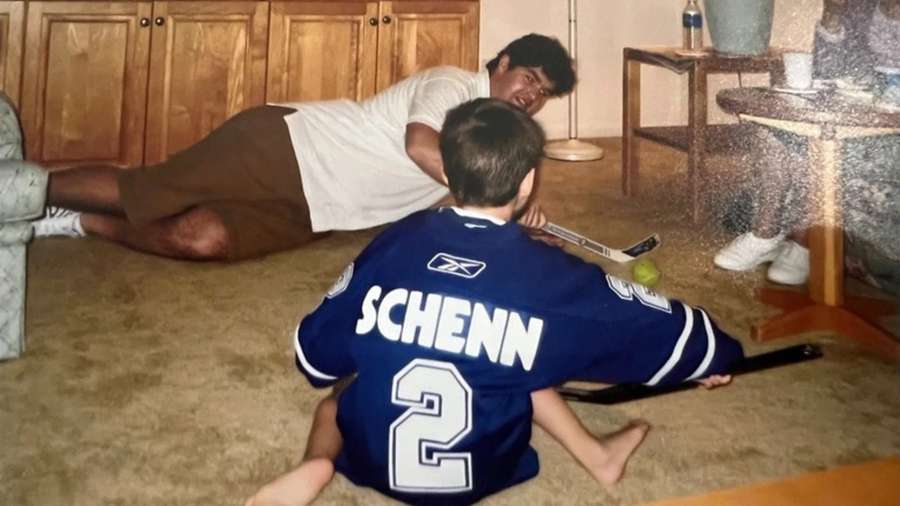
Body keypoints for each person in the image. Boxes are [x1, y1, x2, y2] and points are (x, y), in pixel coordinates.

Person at [245, 98, 744, 505]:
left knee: (336, 400)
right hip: (480, 472)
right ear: (528, 182)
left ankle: (316, 463)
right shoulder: (552, 279)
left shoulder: (395, 242)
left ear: (448, 173)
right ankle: (595, 455)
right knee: (523, 349)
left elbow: (312, 356)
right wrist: (714, 355)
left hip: (374, 462)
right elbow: (652, 324)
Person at [19, 33, 575, 261]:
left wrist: (513, 221)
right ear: (501, 64)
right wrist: (500, 200)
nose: (531, 96)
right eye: (528, 78)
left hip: (321, 208)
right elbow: (420, 144)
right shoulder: (455, 85)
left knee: (204, 240)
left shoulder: (497, 139)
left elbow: (448, 204)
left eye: (543, 93)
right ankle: (19, 186)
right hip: (287, 147)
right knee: (146, 188)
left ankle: (76, 222)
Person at [714, 0, 900, 294]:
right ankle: (765, 233)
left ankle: (804, 243)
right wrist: (833, 15)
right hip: (860, 117)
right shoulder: (863, 7)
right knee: (774, 129)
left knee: (821, 147)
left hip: (892, 135)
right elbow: (827, 69)